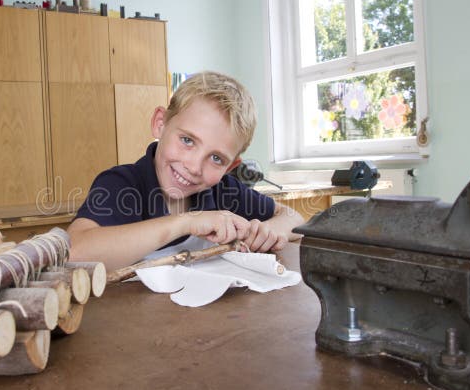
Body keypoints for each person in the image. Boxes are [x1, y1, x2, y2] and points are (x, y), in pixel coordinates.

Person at [67, 71, 304, 270]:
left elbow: (294, 218)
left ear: (230, 167)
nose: (193, 167)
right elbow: (75, 251)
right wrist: (186, 222)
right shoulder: (122, 184)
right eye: (187, 140)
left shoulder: (224, 192)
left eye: (215, 158)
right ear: (160, 124)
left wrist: (269, 231)